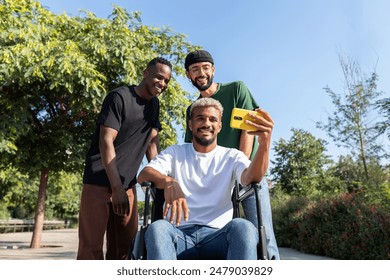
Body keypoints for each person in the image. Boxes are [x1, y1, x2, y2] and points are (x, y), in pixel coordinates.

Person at [137, 98, 274, 260]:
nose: (207, 123)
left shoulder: (232, 156)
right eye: (200, 118)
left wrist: (265, 143)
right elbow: (144, 174)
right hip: (178, 234)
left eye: (213, 119)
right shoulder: (175, 152)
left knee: (244, 227)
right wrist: (168, 181)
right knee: (157, 228)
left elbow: (252, 177)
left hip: (218, 236)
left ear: (219, 126)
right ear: (190, 124)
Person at [184, 50, 280, 259]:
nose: (201, 73)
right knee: (230, 237)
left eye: (205, 68)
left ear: (213, 70)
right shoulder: (194, 108)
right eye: (195, 69)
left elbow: (248, 130)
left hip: (246, 176)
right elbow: (191, 147)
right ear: (188, 75)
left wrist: (238, 173)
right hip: (215, 183)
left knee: (264, 235)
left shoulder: (237, 89)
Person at [77, 57, 172, 260]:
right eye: (159, 77)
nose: (162, 84)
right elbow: (106, 141)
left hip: (127, 185)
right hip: (99, 183)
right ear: (146, 73)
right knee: (90, 250)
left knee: (125, 250)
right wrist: (116, 188)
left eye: (166, 81)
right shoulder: (119, 97)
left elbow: (151, 143)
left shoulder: (154, 105)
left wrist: (159, 177)